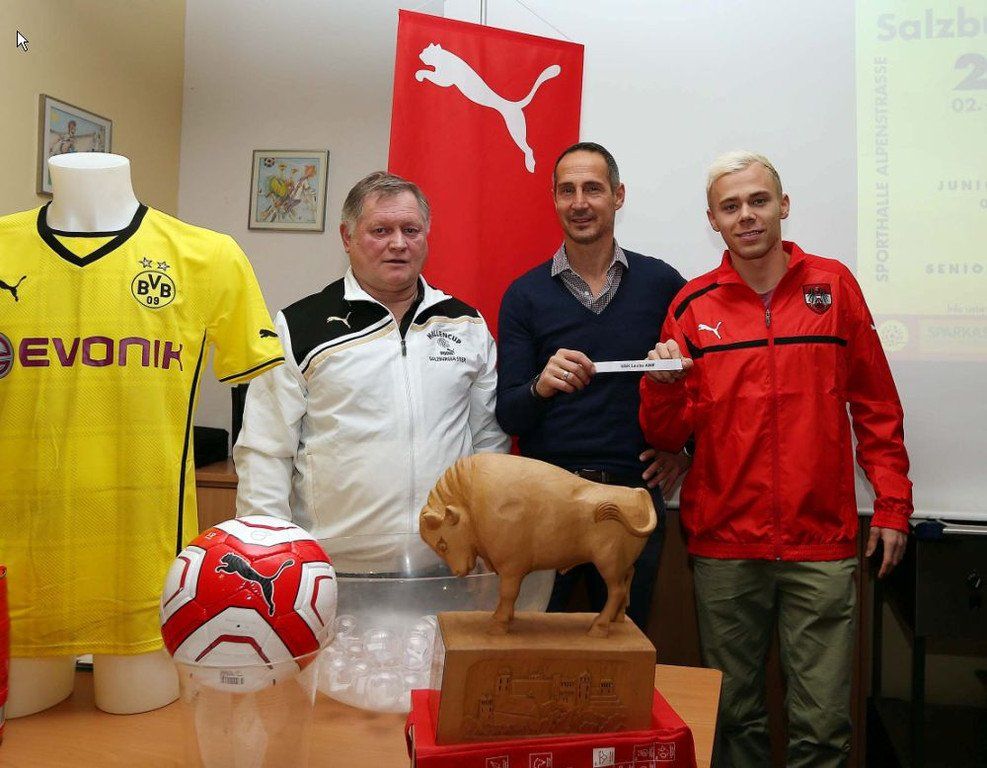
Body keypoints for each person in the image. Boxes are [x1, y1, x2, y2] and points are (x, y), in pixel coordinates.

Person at [639, 150, 912, 767]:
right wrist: (660, 386)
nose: (747, 216)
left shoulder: (833, 288)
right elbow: (665, 433)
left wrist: (893, 505)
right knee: (736, 720)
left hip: (822, 544)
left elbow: (876, 405)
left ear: (783, 206)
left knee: (823, 727)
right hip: (725, 545)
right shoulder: (692, 306)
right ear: (712, 220)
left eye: (758, 201)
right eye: (730, 206)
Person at [0, 152, 284, 716]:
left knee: (133, 708)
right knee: (27, 708)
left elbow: (253, 382)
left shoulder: (207, 256)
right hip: (22, 565)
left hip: (144, 569)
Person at [234, 171, 509, 542]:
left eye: (411, 230)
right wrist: (266, 547)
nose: (398, 243)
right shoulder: (298, 326)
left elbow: (488, 443)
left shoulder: (466, 324)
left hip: (447, 557)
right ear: (347, 238)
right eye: (380, 231)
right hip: (331, 560)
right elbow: (265, 451)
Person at [496, 142, 688, 632]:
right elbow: (508, 414)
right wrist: (540, 386)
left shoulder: (663, 284)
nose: (579, 202)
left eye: (593, 189)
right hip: (546, 500)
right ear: (554, 199)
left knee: (624, 644)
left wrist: (685, 451)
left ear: (618, 196)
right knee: (536, 646)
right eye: (567, 190)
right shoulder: (524, 295)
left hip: (631, 497)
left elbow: (701, 385)